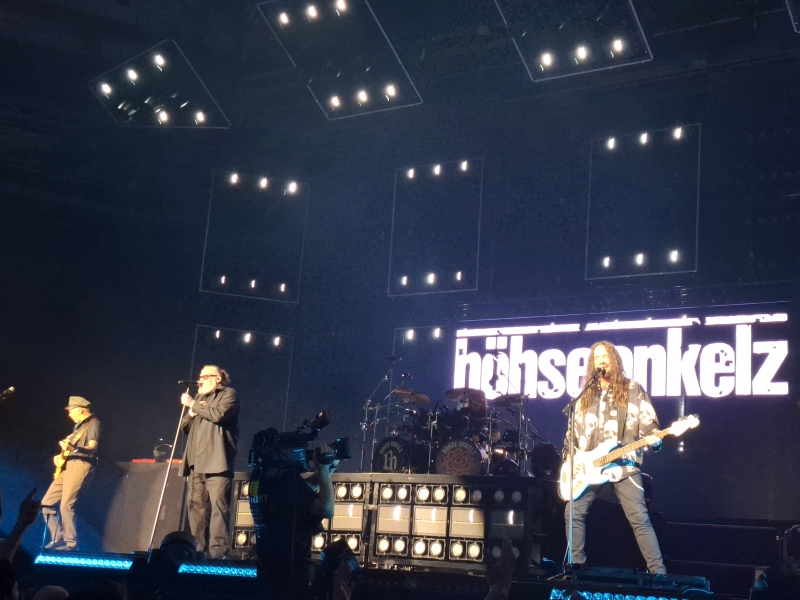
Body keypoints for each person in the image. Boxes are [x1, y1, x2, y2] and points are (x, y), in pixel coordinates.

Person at [562, 341, 666, 574]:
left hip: (623, 464)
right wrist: (570, 459)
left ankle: (658, 573)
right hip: (588, 468)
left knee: (639, 518)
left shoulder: (632, 389)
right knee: (573, 512)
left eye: (605, 356)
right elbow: (572, 434)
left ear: (614, 360)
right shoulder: (585, 395)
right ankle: (576, 568)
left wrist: (654, 438)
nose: (601, 361)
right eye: (597, 357)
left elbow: (649, 425)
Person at [179, 365, 239, 559]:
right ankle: (196, 552)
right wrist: (191, 412)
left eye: (205, 376)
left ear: (218, 378)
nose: (200, 380)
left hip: (217, 462)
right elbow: (185, 427)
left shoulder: (228, 394)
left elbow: (218, 414)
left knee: (218, 508)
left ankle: (218, 554)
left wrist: (193, 405)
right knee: (196, 507)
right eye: (199, 376)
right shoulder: (199, 398)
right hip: (196, 462)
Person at [41, 396, 101, 551]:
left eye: (71, 411)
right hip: (68, 466)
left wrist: (74, 449)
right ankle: (57, 537)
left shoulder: (93, 423)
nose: (69, 415)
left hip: (81, 464)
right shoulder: (78, 427)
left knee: (66, 505)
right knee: (46, 503)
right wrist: (60, 455)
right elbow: (69, 448)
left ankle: (71, 544)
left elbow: (92, 447)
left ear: (80, 410)